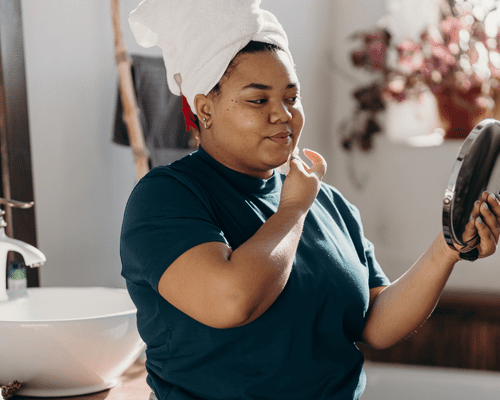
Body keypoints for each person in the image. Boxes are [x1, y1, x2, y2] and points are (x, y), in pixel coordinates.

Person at [120, 1, 500, 399]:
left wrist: (448, 249)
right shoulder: (166, 197)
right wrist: (293, 209)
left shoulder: (327, 202)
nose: (283, 114)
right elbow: (231, 301)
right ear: (205, 109)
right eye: (258, 99)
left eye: (291, 96)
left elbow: (376, 323)